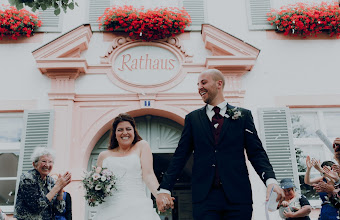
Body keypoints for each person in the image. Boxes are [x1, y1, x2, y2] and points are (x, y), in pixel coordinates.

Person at [156, 69, 285, 219]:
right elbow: (180, 156)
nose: (199, 87)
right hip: (204, 198)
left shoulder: (243, 116)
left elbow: (256, 153)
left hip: (238, 197)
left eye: (203, 82)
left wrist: (270, 180)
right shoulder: (192, 119)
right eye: (197, 84)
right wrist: (164, 188)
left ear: (219, 84)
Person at [93, 113, 161, 220]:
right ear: (115, 133)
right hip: (109, 209)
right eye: (120, 130)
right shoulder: (103, 155)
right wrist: (92, 193)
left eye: (128, 129)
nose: (125, 133)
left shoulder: (142, 146)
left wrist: (160, 195)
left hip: (137, 207)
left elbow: (148, 175)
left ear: (134, 131)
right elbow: (96, 184)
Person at [14, 147, 71, 220]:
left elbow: (59, 210)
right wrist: (57, 187)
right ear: (35, 164)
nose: (47, 165)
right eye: (44, 161)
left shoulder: (50, 181)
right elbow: (37, 206)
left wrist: (60, 189)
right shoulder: (27, 179)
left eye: (50, 162)